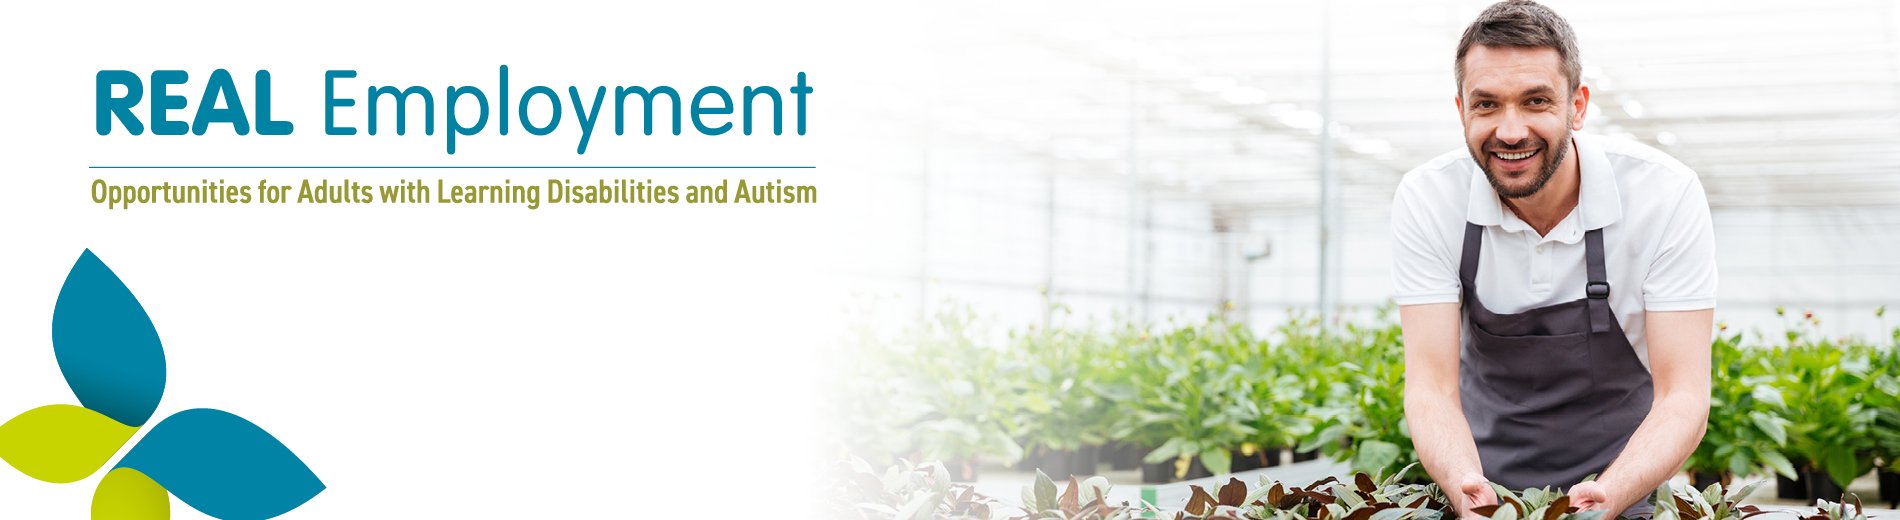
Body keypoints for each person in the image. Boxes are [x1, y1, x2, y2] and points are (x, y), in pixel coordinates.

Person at [1388, 1, 1716, 518]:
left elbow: (1684, 396)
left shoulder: (1663, 194)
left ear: (1577, 106)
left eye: (1536, 101)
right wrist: (1463, 484)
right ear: (1461, 111)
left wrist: (1609, 498)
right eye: (1486, 104)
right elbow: (1431, 387)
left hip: (1624, 490)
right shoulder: (1429, 198)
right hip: (1484, 496)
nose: (1510, 131)